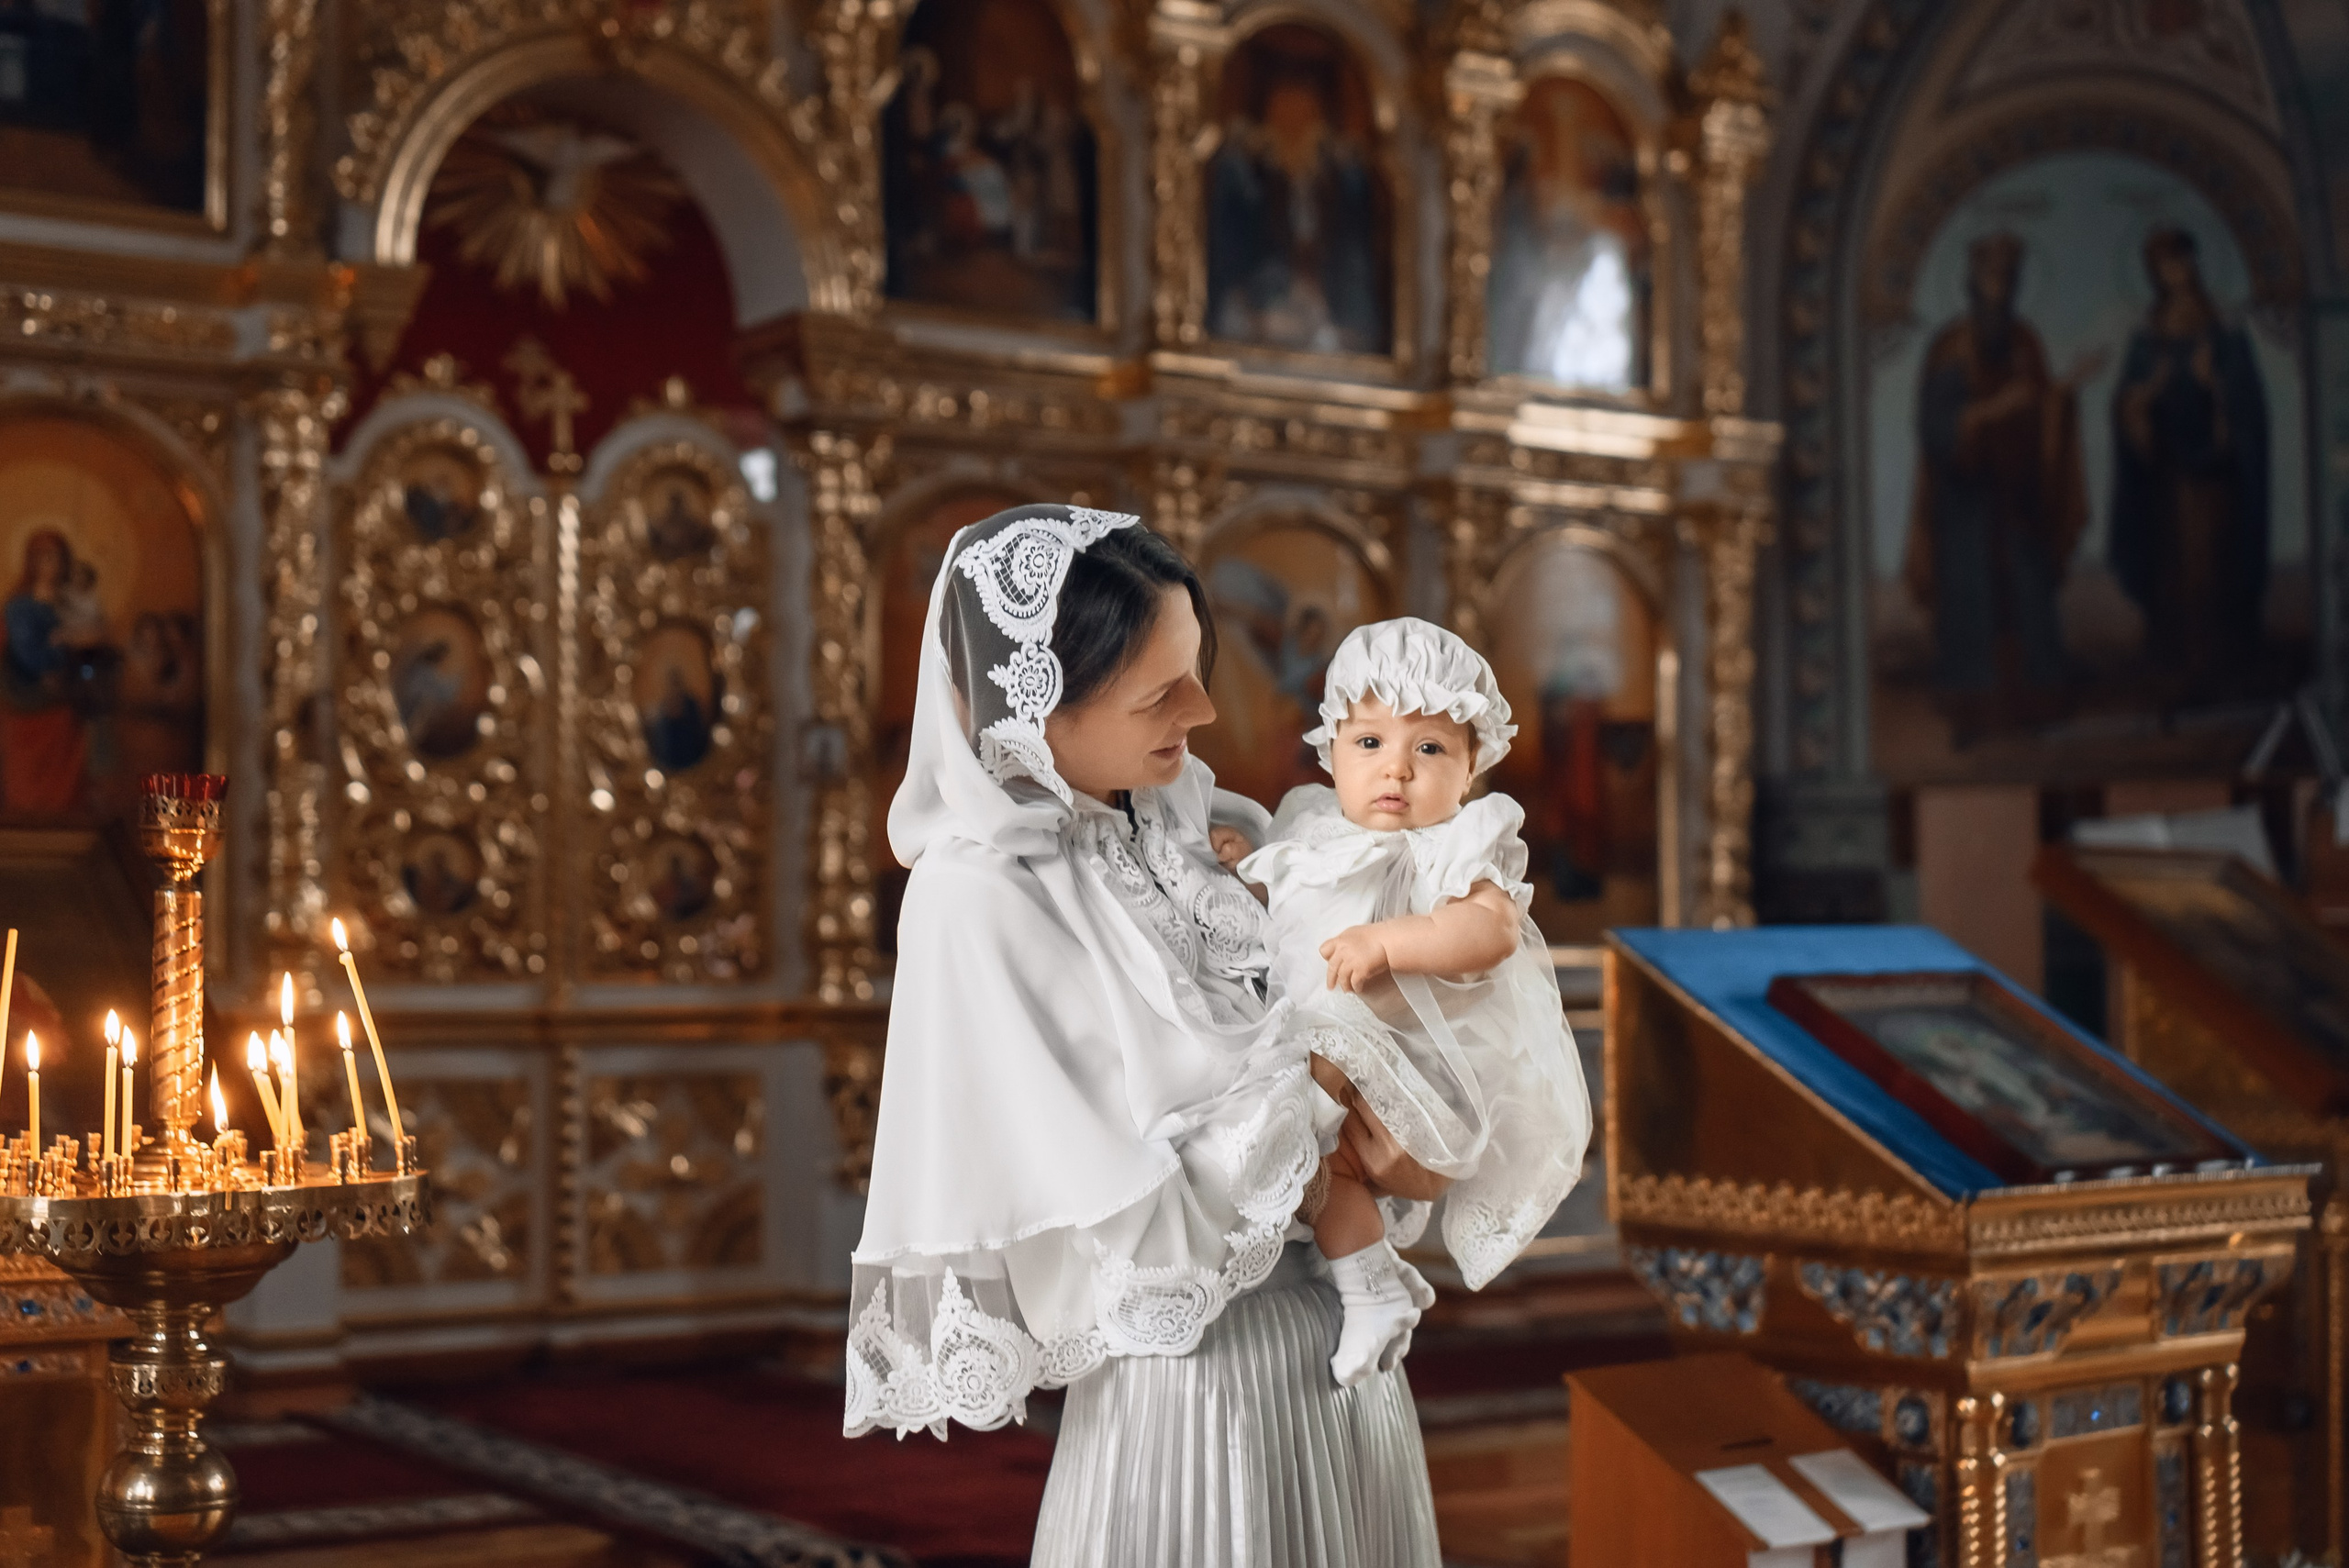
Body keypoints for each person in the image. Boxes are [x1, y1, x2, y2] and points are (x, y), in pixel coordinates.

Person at [847, 504, 1443, 1567]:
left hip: (1348, 1345)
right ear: (1034, 704)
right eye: (1159, 692)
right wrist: (1328, 1073)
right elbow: (1135, 1228)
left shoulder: (1182, 814)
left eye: (1195, 670)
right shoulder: (977, 897)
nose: (1203, 709)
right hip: (1199, 1390)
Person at [1234, 619, 1591, 1383]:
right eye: (1370, 742)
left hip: (1419, 1074)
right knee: (1311, 1160)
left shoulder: (1455, 845)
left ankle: (1370, 1282)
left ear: (1471, 768)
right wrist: (1247, 869)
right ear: (1331, 749)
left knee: (1299, 1113)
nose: (1396, 768)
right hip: (1335, 1072)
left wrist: (1391, 941)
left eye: (1428, 748)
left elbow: (1491, 929)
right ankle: (1374, 1282)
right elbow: (1281, 913)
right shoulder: (1310, 827)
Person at [1904, 232, 2095, 745]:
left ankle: (2038, 708)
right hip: (1965, 503)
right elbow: (1936, 427)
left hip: (2017, 500)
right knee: (1973, 603)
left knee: (2028, 596)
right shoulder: (1951, 347)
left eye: (2007, 279)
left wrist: (2062, 393)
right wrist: (1991, 411)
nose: (1999, 288)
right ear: (1973, 284)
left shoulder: (2025, 342)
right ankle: (1973, 713)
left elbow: (2040, 405)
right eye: (1991, 278)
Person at [2108, 226, 2270, 701]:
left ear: (2194, 262)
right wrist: (2144, 396)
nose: (2175, 272)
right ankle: (2176, 660)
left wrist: (2212, 383)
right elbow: (2126, 402)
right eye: (2164, 265)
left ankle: (2217, 662)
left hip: (2215, 478)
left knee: (2211, 565)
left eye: (2180, 260)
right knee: (2171, 568)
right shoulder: (2148, 334)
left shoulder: (2223, 328)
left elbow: (2247, 404)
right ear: (2154, 273)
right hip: (2166, 475)